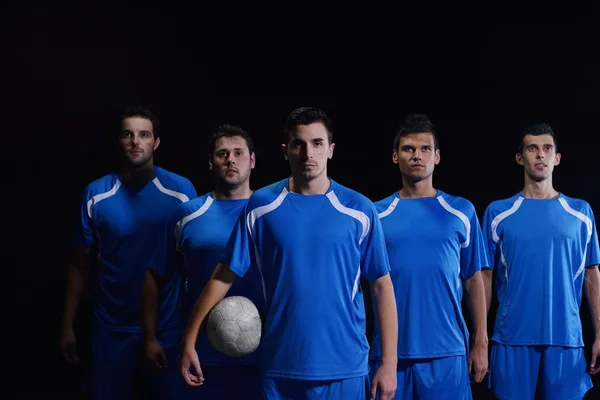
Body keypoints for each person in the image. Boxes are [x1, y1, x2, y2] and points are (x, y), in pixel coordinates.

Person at [179, 107, 399, 400]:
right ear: (286, 151)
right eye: (299, 144)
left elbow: (381, 285)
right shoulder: (261, 207)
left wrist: (388, 363)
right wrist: (189, 339)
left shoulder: (359, 209)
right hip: (279, 367)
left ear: (331, 150)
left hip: (344, 365)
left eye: (317, 143)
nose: (308, 152)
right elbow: (223, 274)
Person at [59, 106, 197, 400]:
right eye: (128, 135)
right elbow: (79, 264)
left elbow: (196, 261)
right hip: (111, 328)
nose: (136, 141)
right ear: (119, 141)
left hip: (168, 329)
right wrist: (68, 325)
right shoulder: (96, 193)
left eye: (144, 134)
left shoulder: (181, 191)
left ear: (156, 142)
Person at [141, 124, 263, 399]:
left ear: (252, 161)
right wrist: (150, 337)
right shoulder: (186, 215)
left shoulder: (272, 214)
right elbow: (154, 276)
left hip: (263, 357)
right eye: (222, 154)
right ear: (211, 163)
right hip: (199, 356)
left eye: (238, 153)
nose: (230, 159)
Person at [372, 114, 489, 399]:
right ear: (395, 156)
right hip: (391, 356)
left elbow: (474, 279)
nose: (417, 156)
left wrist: (480, 342)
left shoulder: (461, 211)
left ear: (437, 157)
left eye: (425, 149)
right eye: (408, 149)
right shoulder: (375, 214)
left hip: (447, 353)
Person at [481, 123, 600, 400]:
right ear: (520, 157)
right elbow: (484, 278)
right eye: (532, 148)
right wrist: (480, 338)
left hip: (566, 339)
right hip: (512, 338)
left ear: (557, 158)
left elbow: (592, 274)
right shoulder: (498, 213)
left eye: (547, 148)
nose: (540, 155)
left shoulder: (581, 213)